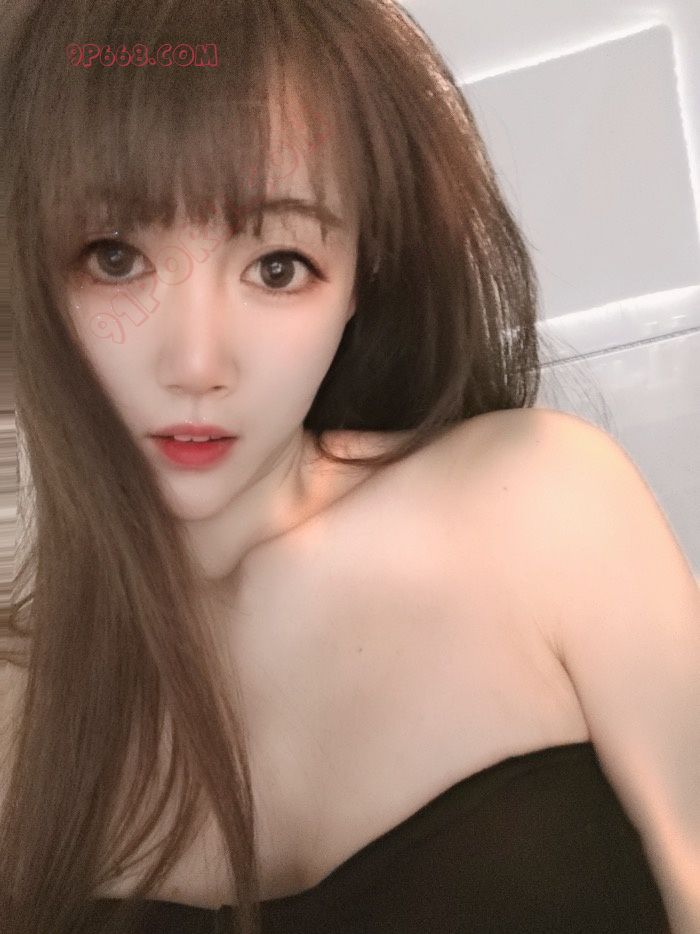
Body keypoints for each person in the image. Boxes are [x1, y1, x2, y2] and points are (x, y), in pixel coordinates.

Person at [0, 1, 698, 933]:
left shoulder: (543, 509)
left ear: (364, 275)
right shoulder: (17, 709)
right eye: (116, 257)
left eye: (278, 266)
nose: (198, 363)